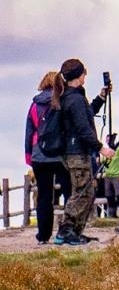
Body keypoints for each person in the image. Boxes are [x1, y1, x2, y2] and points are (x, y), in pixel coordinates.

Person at [50, 59, 106, 246]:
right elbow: (83, 128)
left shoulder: (69, 97)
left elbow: (86, 114)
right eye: (84, 73)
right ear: (79, 76)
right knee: (82, 192)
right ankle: (66, 229)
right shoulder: (75, 100)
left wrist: (100, 98)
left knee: (85, 191)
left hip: (71, 152)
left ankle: (73, 231)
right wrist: (101, 147)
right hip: (77, 153)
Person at [24, 71, 67, 245]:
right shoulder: (62, 101)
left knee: (44, 196)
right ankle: (67, 229)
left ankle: (43, 235)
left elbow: (29, 132)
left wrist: (29, 156)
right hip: (60, 154)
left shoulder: (34, 105)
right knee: (68, 191)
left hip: (39, 154)